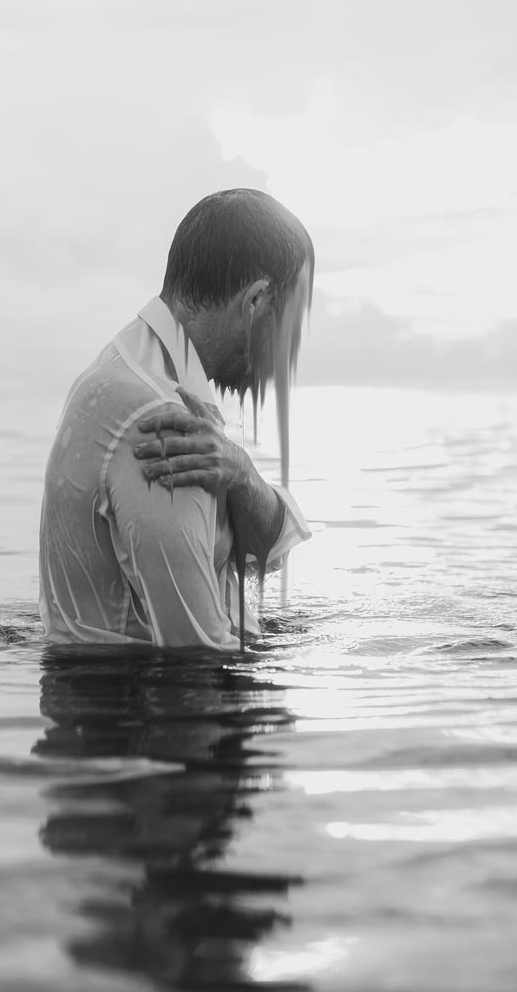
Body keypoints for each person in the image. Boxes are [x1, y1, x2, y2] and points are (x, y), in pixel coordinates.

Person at [39, 188, 313, 652]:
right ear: (257, 301)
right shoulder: (160, 423)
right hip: (134, 705)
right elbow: (196, 657)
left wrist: (242, 475)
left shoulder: (140, 370)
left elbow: (266, 555)